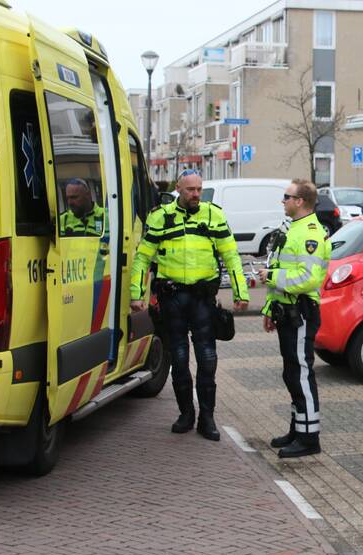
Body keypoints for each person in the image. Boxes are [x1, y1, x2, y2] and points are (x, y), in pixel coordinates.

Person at [130, 170, 249, 441]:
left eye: (199, 189)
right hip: (173, 300)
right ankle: (186, 414)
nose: (196, 194)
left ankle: (207, 418)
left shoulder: (213, 215)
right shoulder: (160, 217)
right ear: (178, 189)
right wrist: (136, 294)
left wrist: (241, 292)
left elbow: (231, 256)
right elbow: (142, 259)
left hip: (202, 300)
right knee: (180, 360)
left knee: (208, 360)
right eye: (190, 190)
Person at [257, 179, 331, 458]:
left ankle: (309, 438)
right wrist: (268, 309)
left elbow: (308, 278)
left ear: (300, 201)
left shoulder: (309, 234)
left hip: (301, 312)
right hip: (286, 310)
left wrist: (272, 277)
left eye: (287, 197)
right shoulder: (292, 229)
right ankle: (297, 428)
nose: (283, 201)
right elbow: (280, 267)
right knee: (292, 374)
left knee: (300, 374)